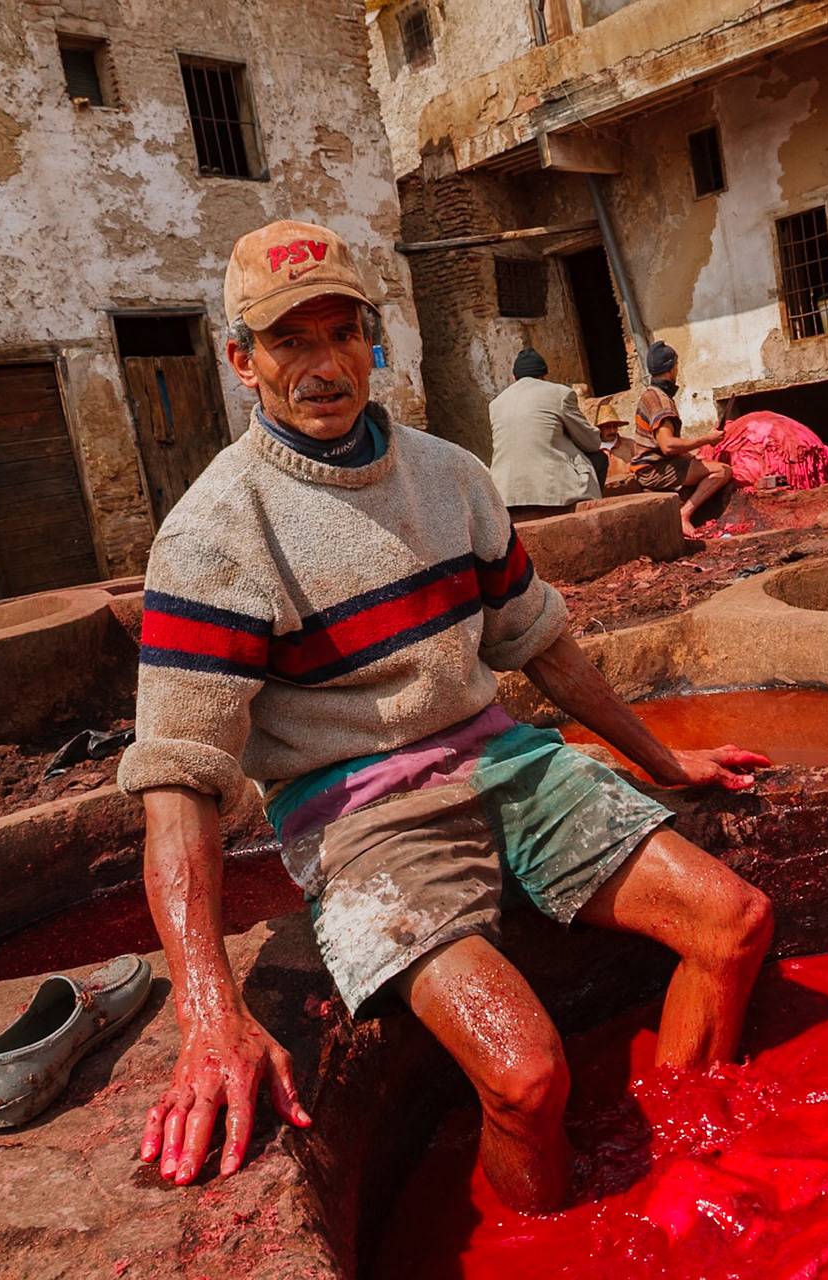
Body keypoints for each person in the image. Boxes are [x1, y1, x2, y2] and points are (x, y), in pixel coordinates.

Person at [118, 220, 775, 1214]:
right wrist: (208, 1013)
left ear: (370, 342)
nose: (325, 365)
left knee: (735, 924)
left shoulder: (451, 476)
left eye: (344, 333)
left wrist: (660, 756)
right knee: (526, 1076)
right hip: (361, 821)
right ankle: (551, 1238)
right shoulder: (213, 533)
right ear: (242, 359)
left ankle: (686, 1171)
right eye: (290, 340)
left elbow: (540, 639)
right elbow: (177, 780)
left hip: (507, 763)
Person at [630, 341, 733, 538]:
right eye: (676, 365)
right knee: (723, 471)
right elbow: (667, 446)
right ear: (671, 368)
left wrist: (691, 458)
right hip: (654, 470)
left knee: (701, 463)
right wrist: (706, 439)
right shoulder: (661, 401)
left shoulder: (651, 394)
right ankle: (684, 514)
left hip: (654, 465)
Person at [487, 348, 604, 520]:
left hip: (505, 492)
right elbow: (591, 443)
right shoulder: (560, 394)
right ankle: (591, 516)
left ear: (514, 378)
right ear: (543, 376)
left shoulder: (496, 404)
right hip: (551, 488)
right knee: (600, 458)